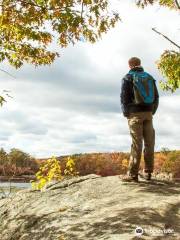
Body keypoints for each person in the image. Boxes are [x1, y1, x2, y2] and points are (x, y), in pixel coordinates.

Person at [120, 57, 159, 182]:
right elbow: (156, 97)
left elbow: (124, 97)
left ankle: (133, 174)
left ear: (129, 65)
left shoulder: (127, 77)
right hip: (148, 113)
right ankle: (148, 173)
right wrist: (152, 111)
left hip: (134, 114)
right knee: (149, 143)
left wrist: (127, 113)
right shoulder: (149, 77)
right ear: (140, 64)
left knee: (137, 144)